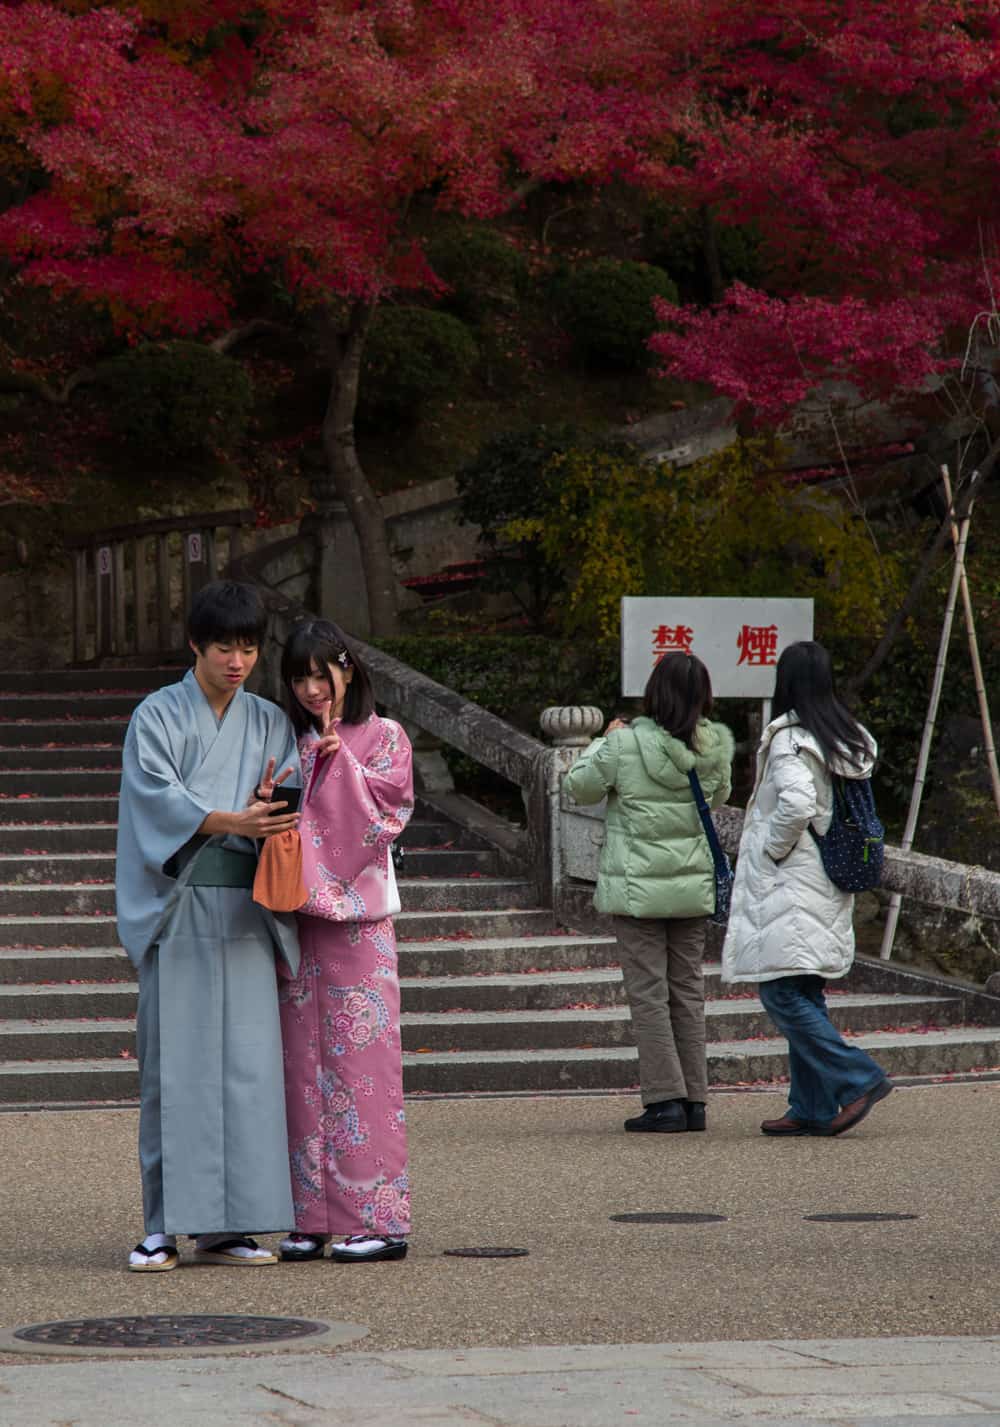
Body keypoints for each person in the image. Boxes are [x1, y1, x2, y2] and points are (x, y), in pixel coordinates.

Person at [116, 580, 302, 1272]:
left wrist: (268, 811)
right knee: (176, 1071)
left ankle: (231, 1225)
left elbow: (287, 802)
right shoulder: (156, 716)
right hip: (183, 905)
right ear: (195, 643)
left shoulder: (269, 720)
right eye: (223, 644)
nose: (237, 659)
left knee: (248, 1072)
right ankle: (162, 1224)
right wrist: (231, 818)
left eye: (248, 646)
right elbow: (155, 802)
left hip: (249, 909)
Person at [275, 619, 414, 1264]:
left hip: (359, 921)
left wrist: (342, 764)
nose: (311, 688)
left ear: (348, 668)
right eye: (299, 677)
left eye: (320, 673)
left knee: (363, 1069)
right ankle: (309, 1215)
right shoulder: (287, 739)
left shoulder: (385, 737)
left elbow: (388, 813)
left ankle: (380, 1220)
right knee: (300, 1066)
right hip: (299, 918)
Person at [722, 640, 893, 1137]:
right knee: (804, 989)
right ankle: (811, 1107)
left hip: (792, 879)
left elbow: (795, 803)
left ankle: (856, 1077)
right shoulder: (843, 736)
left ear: (786, 682)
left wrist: (773, 849)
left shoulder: (791, 739)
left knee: (779, 991)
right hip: (826, 876)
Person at [563, 652, 734, 1133]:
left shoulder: (626, 744)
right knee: (687, 991)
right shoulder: (714, 746)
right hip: (691, 885)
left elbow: (579, 787)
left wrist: (605, 741)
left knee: (649, 994)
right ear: (703, 695)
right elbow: (718, 798)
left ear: (654, 693)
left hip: (638, 889)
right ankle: (695, 1101)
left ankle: (665, 1101)